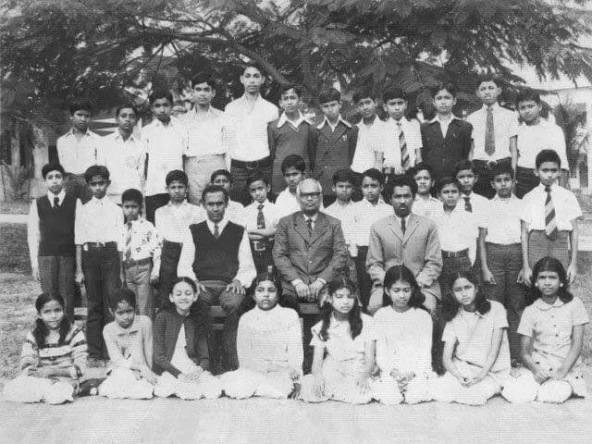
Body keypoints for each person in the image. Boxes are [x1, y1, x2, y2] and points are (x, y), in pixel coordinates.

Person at [177, 185, 256, 370]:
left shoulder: (238, 231)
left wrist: (239, 280)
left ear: (226, 203)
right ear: (203, 205)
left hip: (228, 285)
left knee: (235, 303)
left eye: (219, 203)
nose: (215, 208)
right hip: (202, 285)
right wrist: (193, 282)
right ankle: (207, 358)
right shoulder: (194, 230)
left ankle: (231, 358)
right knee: (195, 302)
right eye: (210, 204)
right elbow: (184, 265)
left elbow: (248, 266)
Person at [502, 257, 588, 403]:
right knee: (515, 395)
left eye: (552, 277)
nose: (547, 282)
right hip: (538, 368)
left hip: (565, 369)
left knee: (552, 395)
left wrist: (561, 372)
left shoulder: (575, 304)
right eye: (542, 277)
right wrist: (536, 370)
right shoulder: (530, 310)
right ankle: (533, 386)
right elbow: (524, 352)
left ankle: (549, 388)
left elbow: (577, 345)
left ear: (561, 281)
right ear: (535, 282)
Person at [431, 271, 511, 405]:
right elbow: (446, 358)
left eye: (467, 287)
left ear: (476, 288)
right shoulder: (454, 316)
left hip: (491, 372)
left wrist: (482, 375)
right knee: (438, 392)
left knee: (474, 397)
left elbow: (494, 350)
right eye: (458, 290)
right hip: (464, 369)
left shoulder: (496, 309)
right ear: (452, 293)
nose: (464, 293)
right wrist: (458, 376)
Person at [366, 175, 442, 316]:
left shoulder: (428, 226)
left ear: (413, 197)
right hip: (388, 286)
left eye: (407, 196)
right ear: (390, 199)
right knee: (375, 305)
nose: (402, 201)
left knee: (428, 308)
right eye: (397, 196)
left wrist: (415, 283)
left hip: (422, 285)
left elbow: (434, 263)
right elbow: (373, 265)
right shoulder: (378, 227)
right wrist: (391, 284)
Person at [221, 271, 302, 399]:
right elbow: (245, 359)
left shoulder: (290, 316)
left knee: (281, 388)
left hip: (283, 372)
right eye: (260, 290)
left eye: (271, 290)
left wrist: (297, 379)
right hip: (255, 370)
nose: (266, 294)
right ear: (253, 295)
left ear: (278, 295)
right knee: (235, 386)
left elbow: (296, 353)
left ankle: (262, 389)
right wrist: (272, 367)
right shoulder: (246, 319)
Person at [273, 178, 348, 309]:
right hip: (292, 284)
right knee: (287, 309)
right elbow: (279, 256)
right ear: (298, 198)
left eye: (314, 195)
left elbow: (340, 255)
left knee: (330, 306)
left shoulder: (334, 224)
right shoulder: (285, 223)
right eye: (304, 195)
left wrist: (321, 281)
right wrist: (297, 282)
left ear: (321, 197)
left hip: (325, 283)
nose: (309, 199)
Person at [300, 277, 376, 404]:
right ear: (330, 299)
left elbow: (370, 358)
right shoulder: (322, 326)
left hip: (356, 367)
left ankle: (341, 391)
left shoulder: (367, 322)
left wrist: (364, 375)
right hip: (332, 368)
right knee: (311, 390)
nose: (345, 302)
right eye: (339, 297)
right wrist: (318, 377)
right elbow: (316, 363)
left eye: (350, 297)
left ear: (355, 298)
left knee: (361, 395)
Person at [75, 165, 123, 361]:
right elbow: (79, 241)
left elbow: (120, 242)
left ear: (108, 183)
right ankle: (94, 352)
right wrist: (80, 270)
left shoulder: (116, 209)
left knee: (110, 303)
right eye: (93, 184)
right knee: (94, 304)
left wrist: (120, 270)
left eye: (101, 183)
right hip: (90, 256)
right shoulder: (84, 209)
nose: (97, 187)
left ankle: (110, 352)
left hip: (110, 255)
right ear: (88, 186)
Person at [2, 294, 87, 404]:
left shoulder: (75, 333)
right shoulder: (33, 335)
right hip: (43, 381)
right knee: (10, 389)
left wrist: (51, 371)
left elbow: (80, 369)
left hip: (67, 381)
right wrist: (33, 372)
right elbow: (26, 361)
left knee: (58, 395)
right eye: (47, 312)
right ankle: (43, 394)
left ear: (63, 311)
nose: (53, 316)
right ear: (39, 315)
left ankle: (47, 394)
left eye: (57, 310)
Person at [479, 164, 526, 363]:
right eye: (499, 180)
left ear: (514, 182)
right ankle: (494, 355)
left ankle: (516, 354)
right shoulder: (487, 206)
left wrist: (525, 266)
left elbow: (525, 235)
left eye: (507, 180)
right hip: (494, 254)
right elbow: (482, 239)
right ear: (492, 184)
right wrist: (485, 267)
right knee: (494, 304)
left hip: (516, 253)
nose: (503, 184)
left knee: (516, 303)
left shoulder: (522, 204)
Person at [372, 266, 434, 405]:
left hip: (416, 371)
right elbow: (381, 352)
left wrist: (412, 374)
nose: (402, 295)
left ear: (412, 289)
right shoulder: (381, 315)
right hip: (391, 371)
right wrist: (393, 373)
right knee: (390, 398)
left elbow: (425, 351)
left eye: (406, 290)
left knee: (415, 396)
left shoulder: (422, 316)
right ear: (387, 291)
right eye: (396, 290)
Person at [153, 277, 222, 399]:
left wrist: (198, 370)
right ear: (171, 297)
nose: (183, 297)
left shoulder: (198, 319)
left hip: (191, 366)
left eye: (188, 293)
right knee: (164, 390)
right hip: (169, 368)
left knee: (213, 391)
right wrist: (179, 375)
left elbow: (205, 357)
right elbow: (158, 356)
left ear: (195, 297)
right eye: (178, 294)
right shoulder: (162, 317)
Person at [519, 149, 581, 285]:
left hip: (560, 243)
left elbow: (575, 231)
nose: (549, 174)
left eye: (553, 170)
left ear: (559, 172)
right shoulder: (529, 197)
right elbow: (524, 232)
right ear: (536, 171)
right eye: (545, 170)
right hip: (536, 243)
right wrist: (525, 266)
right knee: (537, 285)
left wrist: (573, 263)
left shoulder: (568, 196)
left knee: (560, 284)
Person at [27, 163, 80, 320]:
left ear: (63, 179)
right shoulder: (38, 203)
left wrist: (79, 266)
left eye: (58, 176)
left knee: (67, 296)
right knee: (49, 297)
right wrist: (34, 264)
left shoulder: (75, 202)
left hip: (67, 256)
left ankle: (68, 330)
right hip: (46, 256)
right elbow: (33, 235)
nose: (54, 180)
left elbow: (80, 235)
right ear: (45, 182)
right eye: (50, 177)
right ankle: (50, 330)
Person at [225, 63, 279, 204]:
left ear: (262, 79)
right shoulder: (231, 108)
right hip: (238, 168)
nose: (252, 80)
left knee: (264, 206)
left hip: (263, 166)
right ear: (242, 79)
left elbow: (274, 142)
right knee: (239, 206)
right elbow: (228, 142)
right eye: (248, 76)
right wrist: (228, 169)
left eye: (256, 76)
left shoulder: (271, 109)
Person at [155, 170, 205, 306]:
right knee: (166, 290)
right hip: (169, 253)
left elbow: (200, 237)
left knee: (188, 287)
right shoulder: (160, 212)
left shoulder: (196, 211)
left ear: (187, 189)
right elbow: (159, 240)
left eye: (180, 187)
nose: (177, 191)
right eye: (173, 187)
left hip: (190, 251)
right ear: (167, 189)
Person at [467, 76, 519, 198]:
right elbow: (471, 150)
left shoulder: (510, 116)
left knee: (503, 204)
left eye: (491, 88)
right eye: (483, 89)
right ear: (478, 93)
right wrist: (471, 173)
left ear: (498, 90)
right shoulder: (471, 118)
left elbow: (513, 148)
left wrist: (513, 173)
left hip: (503, 167)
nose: (487, 92)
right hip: (480, 168)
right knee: (481, 204)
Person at [99, 288, 155, 399]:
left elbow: (149, 350)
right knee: (122, 379)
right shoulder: (108, 329)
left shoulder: (144, 322)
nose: (125, 317)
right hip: (121, 367)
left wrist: (148, 371)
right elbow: (117, 359)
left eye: (129, 311)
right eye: (120, 313)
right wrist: (137, 368)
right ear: (111, 312)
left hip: (143, 366)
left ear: (135, 308)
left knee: (147, 388)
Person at [183, 73, 229, 205]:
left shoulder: (223, 117)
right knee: (196, 207)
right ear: (192, 92)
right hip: (194, 167)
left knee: (218, 204)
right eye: (198, 89)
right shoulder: (184, 120)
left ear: (213, 92)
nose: (202, 94)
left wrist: (227, 174)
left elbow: (229, 149)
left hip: (217, 164)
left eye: (206, 89)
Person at [142, 89, 187, 222]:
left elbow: (185, 158)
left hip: (177, 188)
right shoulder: (146, 132)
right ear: (151, 108)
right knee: (156, 225)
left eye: (165, 105)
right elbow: (144, 161)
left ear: (171, 106)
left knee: (178, 224)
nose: (162, 110)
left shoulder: (181, 128)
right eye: (157, 106)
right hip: (154, 188)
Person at [350, 168, 392, 308]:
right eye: (365, 186)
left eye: (373, 186)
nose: (369, 190)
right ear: (361, 188)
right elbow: (352, 235)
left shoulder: (388, 210)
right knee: (365, 291)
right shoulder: (355, 209)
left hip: (384, 255)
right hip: (363, 255)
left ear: (381, 187)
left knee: (384, 289)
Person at [515, 90, 569, 198]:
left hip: (545, 176)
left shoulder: (553, 130)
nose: (527, 111)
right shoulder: (518, 130)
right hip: (522, 179)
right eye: (523, 108)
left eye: (530, 106)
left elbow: (562, 164)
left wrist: (562, 194)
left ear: (539, 107)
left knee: (545, 207)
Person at [433, 177, 481, 295]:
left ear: (459, 195)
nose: (450, 195)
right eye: (446, 192)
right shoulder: (434, 217)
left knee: (463, 292)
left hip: (462, 260)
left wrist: (469, 263)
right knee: (446, 293)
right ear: (439, 196)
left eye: (454, 192)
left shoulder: (468, 217)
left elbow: (472, 244)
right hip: (443, 260)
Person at [313, 88, 358, 207]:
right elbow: (313, 156)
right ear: (321, 108)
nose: (330, 109)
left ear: (340, 104)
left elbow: (351, 156)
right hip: (324, 182)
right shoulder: (315, 129)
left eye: (333, 105)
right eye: (326, 106)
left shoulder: (351, 129)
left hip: (343, 181)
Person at [268, 84, 318, 193]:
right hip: (280, 177)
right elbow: (271, 154)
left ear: (299, 100)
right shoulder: (273, 127)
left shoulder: (309, 126)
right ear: (280, 103)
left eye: (293, 98)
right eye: (285, 99)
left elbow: (312, 154)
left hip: (303, 177)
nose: (289, 102)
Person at [121, 188, 162, 318]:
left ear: (140, 207)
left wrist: (155, 271)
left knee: (145, 307)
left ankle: (148, 330)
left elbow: (157, 248)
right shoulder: (121, 228)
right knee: (131, 306)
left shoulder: (147, 226)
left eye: (134, 206)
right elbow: (120, 250)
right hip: (128, 270)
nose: (130, 210)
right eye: (127, 206)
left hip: (143, 269)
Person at [421, 83, 472, 183]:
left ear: (454, 101)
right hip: (433, 180)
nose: (443, 102)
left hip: (456, 181)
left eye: (447, 98)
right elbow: (424, 155)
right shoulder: (425, 127)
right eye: (439, 98)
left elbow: (466, 155)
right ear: (433, 102)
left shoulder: (465, 127)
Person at [57, 98, 102, 203]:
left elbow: (100, 166)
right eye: (79, 115)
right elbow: (62, 165)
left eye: (87, 116)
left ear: (91, 118)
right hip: (68, 184)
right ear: (71, 116)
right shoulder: (62, 140)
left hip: (89, 185)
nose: (83, 119)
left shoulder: (98, 140)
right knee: (69, 212)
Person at [102, 103, 146, 204]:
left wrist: (141, 198)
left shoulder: (140, 146)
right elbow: (101, 173)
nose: (128, 119)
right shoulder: (104, 142)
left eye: (132, 116)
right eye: (123, 116)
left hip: (132, 199)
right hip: (110, 198)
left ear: (136, 121)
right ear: (116, 119)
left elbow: (141, 175)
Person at [378, 87, 422, 176]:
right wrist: (392, 170)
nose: (397, 107)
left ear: (405, 104)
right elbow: (378, 161)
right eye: (392, 104)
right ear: (385, 107)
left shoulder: (414, 125)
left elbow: (418, 156)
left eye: (400, 103)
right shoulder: (380, 128)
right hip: (390, 175)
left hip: (412, 174)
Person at [350, 88, 387, 182]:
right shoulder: (354, 130)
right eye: (361, 104)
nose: (365, 107)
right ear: (357, 108)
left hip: (377, 177)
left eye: (368, 102)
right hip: (357, 177)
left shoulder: (385, 128)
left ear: (375, 103)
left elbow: (381, 160)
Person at [245, 171, 278, 274]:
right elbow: (243, 234)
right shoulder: (245, 211)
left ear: (268, 188)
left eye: (260, 188)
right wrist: (267, 233)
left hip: (271, 252)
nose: (257, 193)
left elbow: (275, 231)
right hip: (252, 253)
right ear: (249, 192)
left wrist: (250, 232)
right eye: (253, 190)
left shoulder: (276, 209)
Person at [274, 154, 308, 219]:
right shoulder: (281, 199)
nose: (291, 179)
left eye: (295, 174)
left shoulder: (312, 195)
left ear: (303, 175)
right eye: (287, 175)